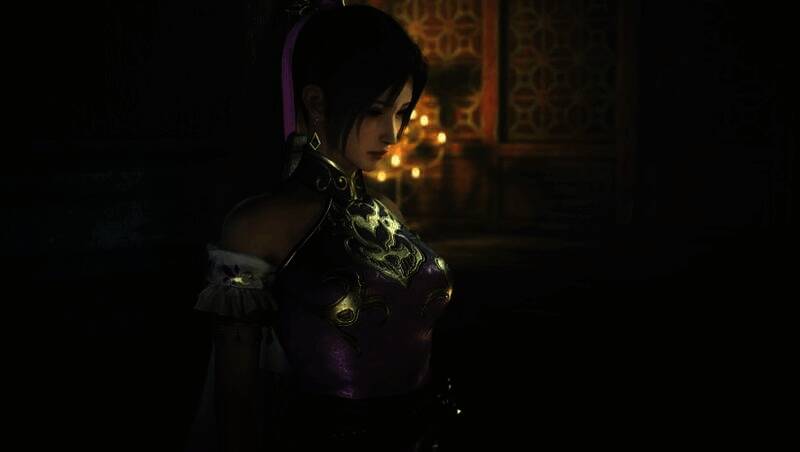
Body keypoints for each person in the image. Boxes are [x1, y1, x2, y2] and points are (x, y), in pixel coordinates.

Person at [185, 2, 459, 451]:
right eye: (375, 111)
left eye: (401, 111)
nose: (392, 134)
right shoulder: (259, 225)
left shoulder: (389, 211)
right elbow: (236, 401)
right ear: (315, 102)